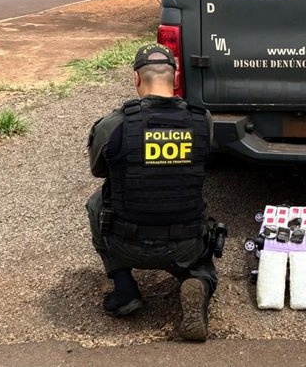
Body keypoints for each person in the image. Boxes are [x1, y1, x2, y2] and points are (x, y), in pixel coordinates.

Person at [86, 43, 216, 341]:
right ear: (176, 77)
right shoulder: (202, 120)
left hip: (126, 241)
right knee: (203, 264)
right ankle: (197, 281)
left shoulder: (114, 124)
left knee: (97, 201)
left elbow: (99, 170)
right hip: (184, 244)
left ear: (136, 78)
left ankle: (124, 288)